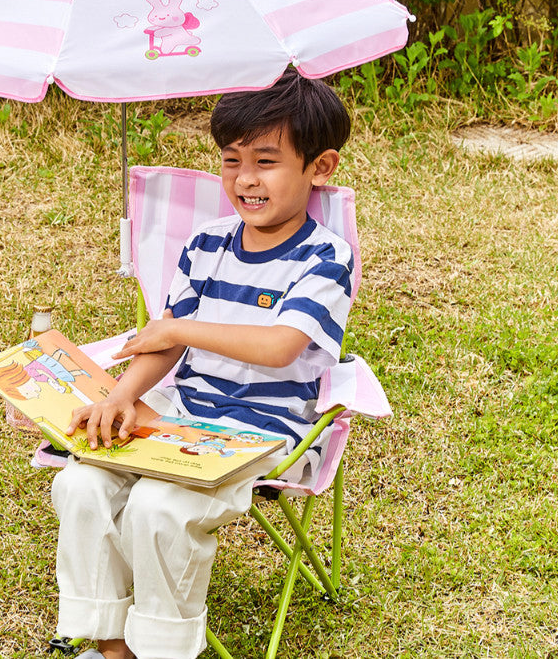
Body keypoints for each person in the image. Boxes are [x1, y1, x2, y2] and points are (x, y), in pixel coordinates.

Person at [52, 69, 354, 659]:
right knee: (81, 482)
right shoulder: (207, 243)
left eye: (266, 161)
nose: (245, 179)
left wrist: (179, 328)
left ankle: (158, 650)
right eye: (231, 160)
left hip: (265, 431)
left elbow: (279, 347)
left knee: (158, 506)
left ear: (320, 168)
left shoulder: (325, 256)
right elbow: (162, 345)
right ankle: (108, 642)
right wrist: (120, 393)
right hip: (181, 410)